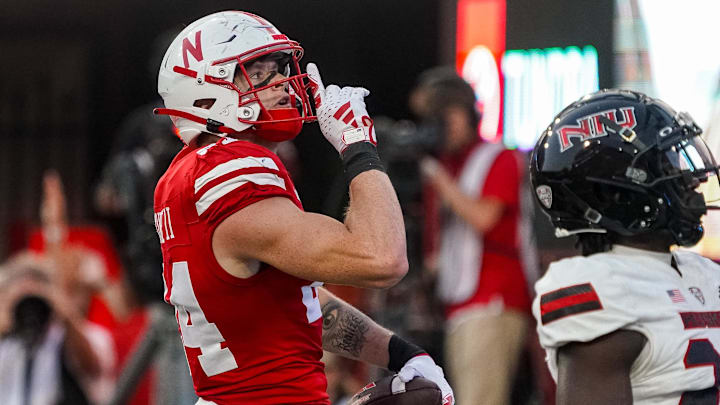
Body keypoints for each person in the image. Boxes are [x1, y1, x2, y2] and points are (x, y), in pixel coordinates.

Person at [153, 11, 454, 405]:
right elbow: (383, 258)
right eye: (258, 74)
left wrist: (400, 353)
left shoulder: (188, 173)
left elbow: (296, 300)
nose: (282, 83)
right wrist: (357, 146)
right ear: (208, 91)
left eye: (278, 69)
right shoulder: (232, 170)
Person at [530, 89, 720, 404]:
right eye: (669, 165)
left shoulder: (702, 274)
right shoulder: (606, 287)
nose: (692, 182)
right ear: (618, 192)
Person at [412, 68, 536, 405]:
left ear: (465, 113)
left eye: (444, 116)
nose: (439, 126)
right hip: (459, 303)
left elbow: (483, 217)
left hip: (494, 299)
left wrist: (438, 179)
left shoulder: (500, 157)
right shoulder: (446, 165)